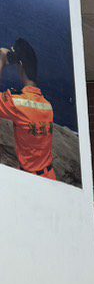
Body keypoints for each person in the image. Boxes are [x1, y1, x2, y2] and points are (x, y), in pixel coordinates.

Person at [0, 39, 56, 180]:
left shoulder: (17, 103)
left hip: (31, 180)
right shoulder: (47, 105)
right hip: (50, 176)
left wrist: (1, 59)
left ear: (20, 66)